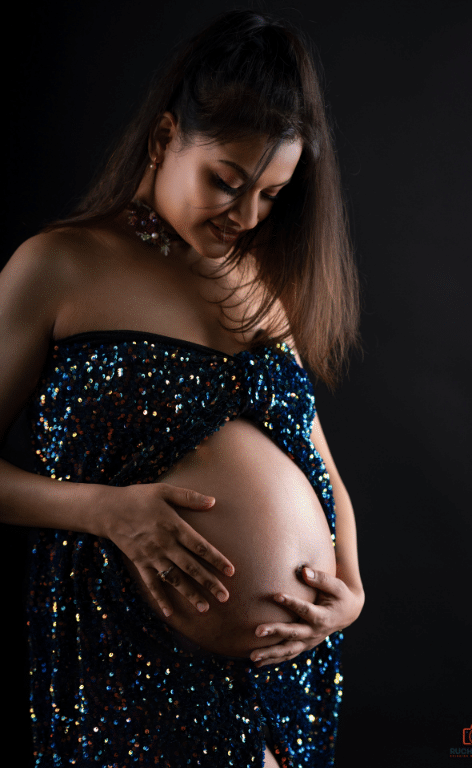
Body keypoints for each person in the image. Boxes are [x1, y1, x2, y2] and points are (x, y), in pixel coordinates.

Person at [0, 11, 364, 767]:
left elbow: (319, 464)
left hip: (287, 679)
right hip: (126, 666)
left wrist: (353, 591)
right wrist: (105, 510)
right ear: (165, 139)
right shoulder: (57, 265)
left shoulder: (261, 285)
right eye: (226, 183)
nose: (248, 215)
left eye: (271, 194)